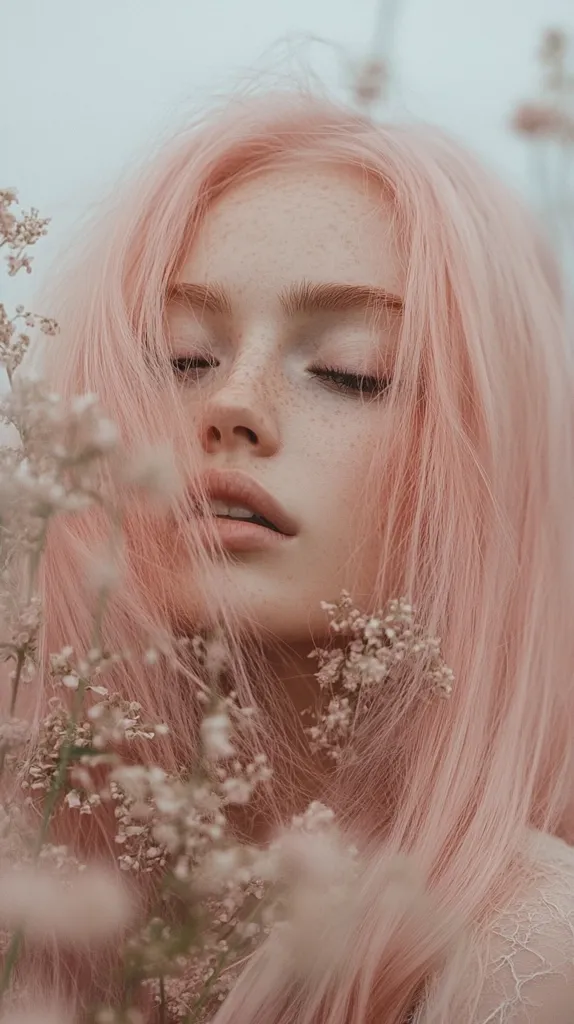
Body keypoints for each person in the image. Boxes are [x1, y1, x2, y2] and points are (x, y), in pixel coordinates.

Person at [16, 85, 574, 1022]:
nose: (228, 405)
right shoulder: (34, 884)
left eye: (354, 370)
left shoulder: (519, 951)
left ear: (488, 474)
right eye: (183, 355)